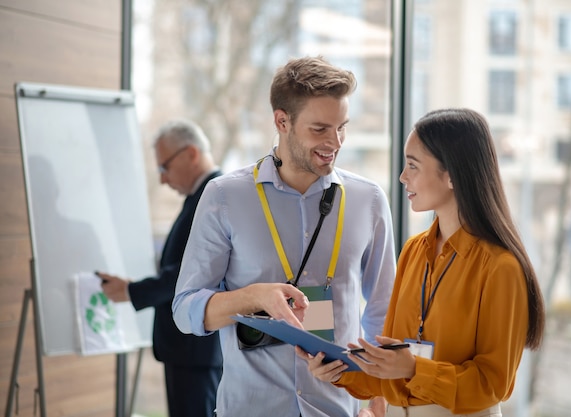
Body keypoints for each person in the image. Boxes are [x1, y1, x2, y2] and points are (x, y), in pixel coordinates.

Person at [172, 56, 396, 417]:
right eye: (320, 129)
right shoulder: (225, 196)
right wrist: (252, 297)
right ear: (282, 121)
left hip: (339, 409)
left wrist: (379, 404)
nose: (335, 142)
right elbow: (185, 311)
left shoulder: (368, 200)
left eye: (342, 127)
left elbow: (384, 314)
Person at [297, 108, 546, 417]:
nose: (403, 176)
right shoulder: (414, 251)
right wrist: (339, 370)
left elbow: (494, 384)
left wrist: (415, 369)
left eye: (413, 165)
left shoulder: (500, 267)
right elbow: (391, 369)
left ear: (452, 175)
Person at [98, 120, 223, 417]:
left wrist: (133, 290)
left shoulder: (213, 196)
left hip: (196, 349)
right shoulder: (200, 197)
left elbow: (189, 271)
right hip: (188, 350)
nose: (163, 179)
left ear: (191, 153)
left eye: (164, 167)